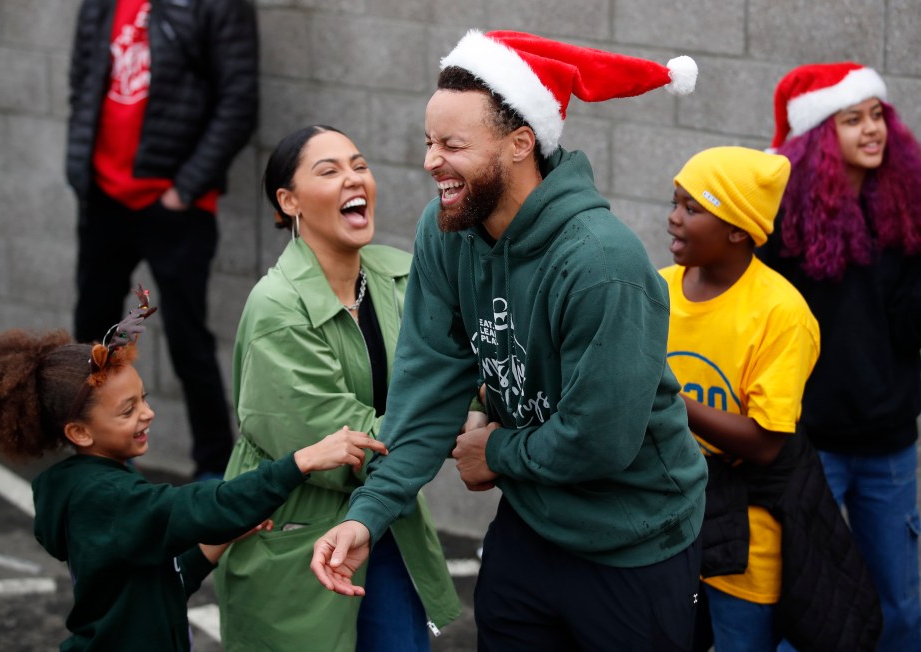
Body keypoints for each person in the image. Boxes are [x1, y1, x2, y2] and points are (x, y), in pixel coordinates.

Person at [311, 30, 710, 651]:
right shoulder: (447, 231)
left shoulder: (603, 265)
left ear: (521, 143)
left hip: (634, 541)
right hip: (531, 526)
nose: (430, 161)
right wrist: (368, 513)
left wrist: (494, 453)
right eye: (428, 142)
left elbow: (600, 441)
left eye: (452, 144)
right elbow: (426, 388)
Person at [0, 288, 386, 652]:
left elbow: (159, 585)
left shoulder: (96, 486)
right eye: (128, 410)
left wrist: (218, 540)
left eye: (144, 399)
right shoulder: (105, 498)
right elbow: (195, 505)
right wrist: (302, 461)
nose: (147, 414)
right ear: (80, 432)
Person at [212, 126, 461, 652]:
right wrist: (457, 418)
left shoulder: (402, 277)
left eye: (359, 165)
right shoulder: (277, 309)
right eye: (328, 171)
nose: (354, 179)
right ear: (289, 201)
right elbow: (343, 447)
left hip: (381, 516)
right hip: (294, 535)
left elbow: (460, 368)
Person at [662, 146, 881, 651]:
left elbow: (764, 442)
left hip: (746, 545)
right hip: (670, 527)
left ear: (739, 230)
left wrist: (665, 394)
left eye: (692, 208)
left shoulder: (781, 313)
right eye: (675, 202)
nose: (673, 218)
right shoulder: (660, 289)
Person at [756, 62, 921, 651]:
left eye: (877, 115)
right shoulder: (783, 225)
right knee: (804, 603)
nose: (872, 130)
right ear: (821, 137)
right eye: (853, 120)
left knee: (900, 607)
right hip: (810, 445)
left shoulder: (905, 209)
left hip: (889, 446)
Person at [65, 0, 259, 480]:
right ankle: (99, 464)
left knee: (188, 341)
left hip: (174, 205)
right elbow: (83, 80)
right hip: (104, 196)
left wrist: (185, 189)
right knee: (92, 335)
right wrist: (82, 171)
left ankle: (214, 470)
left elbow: (238, 101)